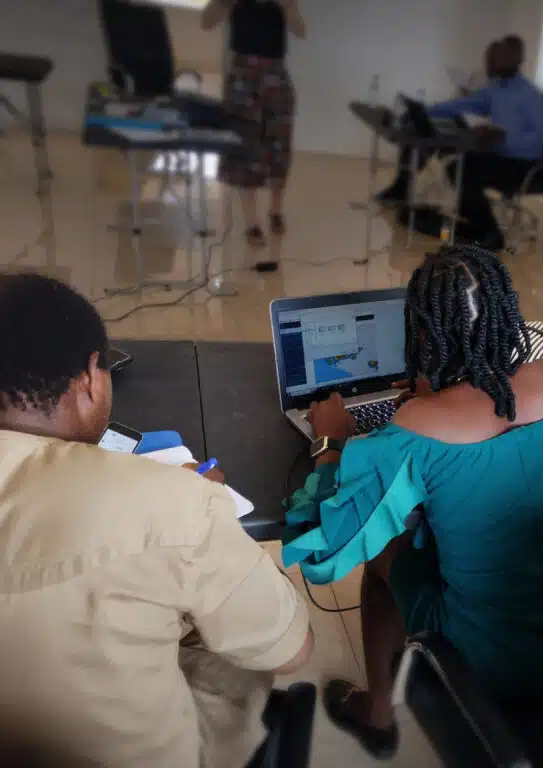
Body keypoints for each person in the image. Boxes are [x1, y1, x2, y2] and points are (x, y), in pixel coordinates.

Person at [281, 246, 543, 757]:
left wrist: (330, 442)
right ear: (510, 320)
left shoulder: (410, 434)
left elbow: (319, 554)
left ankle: (378, 712)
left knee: (383, 555)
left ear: (423, 335)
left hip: (491, 660)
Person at [0, 273, 313, 767]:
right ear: (87, 378)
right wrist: (205, 513)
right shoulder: (175, 501)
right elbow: (290, 650)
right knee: (225, 640)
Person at [376, 38, 543, 250]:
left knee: (463, 170)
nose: (490, 64)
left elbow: (539, 140)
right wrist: (422, 112)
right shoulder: (496, 88)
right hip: (496, 151)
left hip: (521, 162)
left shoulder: (530, 95)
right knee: (425, 132)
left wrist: (504, 138)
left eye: (496, 58)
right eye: (489, 58)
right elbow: (462, 104)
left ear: (516, 59)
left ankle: (490, 233)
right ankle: (401, 188)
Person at [202, 0, 306, 249]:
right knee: (244, 145)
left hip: (276, 71)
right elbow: (206, 23)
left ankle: (275, 210)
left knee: (279, 143)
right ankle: (252, 223)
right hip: (241, 73)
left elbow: (301, 31)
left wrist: (288, 6)